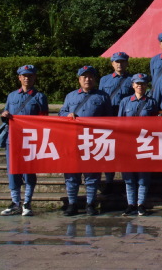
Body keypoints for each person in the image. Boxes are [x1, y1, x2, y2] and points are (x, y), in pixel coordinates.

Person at [59, 66, 111, 216]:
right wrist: (67, 115)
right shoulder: (70, 96)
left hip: (93, 141)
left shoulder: (102, 97)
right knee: (71, 174)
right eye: (84, 77)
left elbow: (110, 118)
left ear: (95, 79)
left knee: (92, 175)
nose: (87, 79)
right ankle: (72, 204)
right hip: (73, 140)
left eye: (90, 77)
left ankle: (90, 203)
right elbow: (62, 112)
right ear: (79, 79)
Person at [0, 65, 49, 217]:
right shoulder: (12, 96)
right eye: (24, 76)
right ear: (19, 78)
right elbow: (6, 113)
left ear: (34, 78)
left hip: (30, 140)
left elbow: (44, 120)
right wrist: (4, 115)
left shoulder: (40, 97)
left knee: (29, 171)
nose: (27, 78)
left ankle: (27, 202)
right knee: (13, 170)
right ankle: (15, 202)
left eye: (30, 75)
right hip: (13, 139)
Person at [117, 73, 160, 216]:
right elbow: (119, 122)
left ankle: (141, 204)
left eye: (142, 83)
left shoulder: (151, 102)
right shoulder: (125, 102)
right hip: (128, 143)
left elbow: (156, 124)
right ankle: (131, 204)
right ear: (133, 85)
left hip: (145, 142)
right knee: (129, 176)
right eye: (137, 83)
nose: (140, 86)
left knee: (143, 176)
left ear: (146, 85)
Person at [99, 51, 134, 193]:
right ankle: (109, 180)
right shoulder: (104, 80)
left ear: (126, 63)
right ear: (112, 64)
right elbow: (100, 98)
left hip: (126, 120)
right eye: (117, 62)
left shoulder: (132, 79)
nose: (119, 64)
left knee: (126, 151)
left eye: (122, 61)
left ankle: (128, 181)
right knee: (109, 151)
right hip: (109, 118)